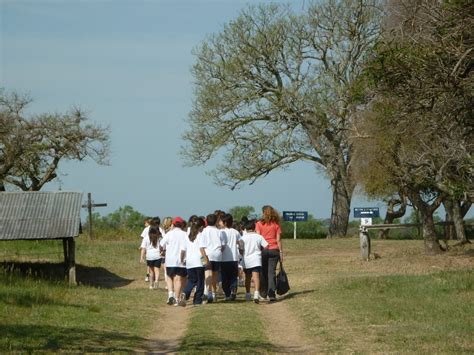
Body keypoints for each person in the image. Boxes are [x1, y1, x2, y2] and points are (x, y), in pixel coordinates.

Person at [256, 205, 282, 302]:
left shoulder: (259, 224)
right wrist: (281, 252)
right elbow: (278, 240)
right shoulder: (276, 224)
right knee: (272, 272)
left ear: (263, 213)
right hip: (274, 249)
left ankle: (263, 293)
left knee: (262, 272)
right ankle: (272, 294)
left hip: (263, 250)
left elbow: (258, 238)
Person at [160, 217, 188, 306]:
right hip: (182, 260)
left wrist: (162, 251)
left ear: (173, 224)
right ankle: (176, 298)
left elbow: (161, 244)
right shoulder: (185, 234)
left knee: (169, 277)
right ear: (182, 224)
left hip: (170, 259)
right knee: (178, 279)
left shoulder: (169, 234)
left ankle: (170, 294)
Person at [239, 219, 268, 303]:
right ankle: (256, 294)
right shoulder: (259, 237)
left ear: (246, 228)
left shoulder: (242, 238)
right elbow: (266, 246)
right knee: (256, 277)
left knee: (247, 277)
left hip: (246, 260)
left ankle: (248, 294)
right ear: (254, 227)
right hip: (256, 259)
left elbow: (241, 250)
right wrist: (259, 250)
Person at [199, 213, 225, 303]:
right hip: (217, 254)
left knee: (207, 274)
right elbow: (223, 246)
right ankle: (213, 294)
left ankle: (207, 292)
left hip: (207, 254)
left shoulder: (204, 231)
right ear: (216, 221)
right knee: (215, 275)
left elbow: (201, 247)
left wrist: (204, 257)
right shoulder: (219, 231)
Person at [181, 217, 206, 305]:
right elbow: (202, 249)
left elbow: (183, 250)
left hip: (189, 262)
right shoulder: (200, 235)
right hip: (199, 262)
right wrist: (206, 260)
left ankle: (185, 292)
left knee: (191, 280)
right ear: (201, 227)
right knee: (200, 281)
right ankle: (197, 300)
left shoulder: (188, 236)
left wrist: (182, 260)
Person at [219, 213, 241, 301]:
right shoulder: (235, 232)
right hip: (234, 258)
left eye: (220, 221)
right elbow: (240, 242)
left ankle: (227, 294)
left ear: (224, 222)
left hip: (223, 258)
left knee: (224, 277)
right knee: (233, 276)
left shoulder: (221, 232)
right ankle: (233, 291)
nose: (219, 223)